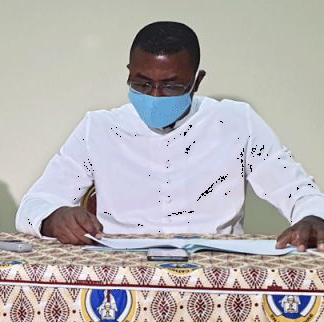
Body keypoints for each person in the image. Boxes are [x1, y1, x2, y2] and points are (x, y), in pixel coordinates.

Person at [16, 21, 324, 251]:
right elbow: (35, 204)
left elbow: (298, 190)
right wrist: (53, 217)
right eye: (142, 84)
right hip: (123, 272)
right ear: (128, 74)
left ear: (197, 81)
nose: (156, 95)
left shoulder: (235, 121)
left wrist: (313, 217)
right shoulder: (98, 127)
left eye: (173, 86)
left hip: (215, 270)